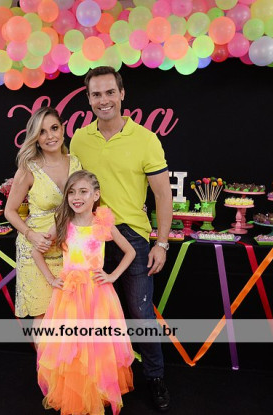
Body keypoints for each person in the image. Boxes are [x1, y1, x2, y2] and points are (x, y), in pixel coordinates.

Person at [70, 66, 173, 412]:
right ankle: (98, 380)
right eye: (96, 94)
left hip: (131, 236)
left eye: (110, 92)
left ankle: (155, 377)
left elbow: (163, 194)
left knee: (140, 313)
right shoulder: (79, 139)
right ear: (88, 99)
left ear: (122, 94)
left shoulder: (145, 139)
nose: (104, 100)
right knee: (92, 315)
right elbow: (68, 186)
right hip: (90, 239)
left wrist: (161, 243)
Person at [34, 170, 136, 415]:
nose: (76, 197)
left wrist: (112, 276)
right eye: (71, 192)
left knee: (97, 345)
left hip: (97, 295)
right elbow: (36, 251)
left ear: (96, 195)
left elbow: (130, 251)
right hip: (69, 295)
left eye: (83, 192)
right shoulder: (63, 223)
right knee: (72, 346)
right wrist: (51, 278)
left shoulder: (102, 223)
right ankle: (76, 394)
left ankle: (97, 391)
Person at [4, 106, 81, 321]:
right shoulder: (28, 169)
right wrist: (32, 236)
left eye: (54, 128)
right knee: (43, 317)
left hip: (67, 249)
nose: (50, 136)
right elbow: (9, 211)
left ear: (63, 129)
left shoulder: (76, 163)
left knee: (67, 315)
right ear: (36, 138)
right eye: (42, 132)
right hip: (36, 249)